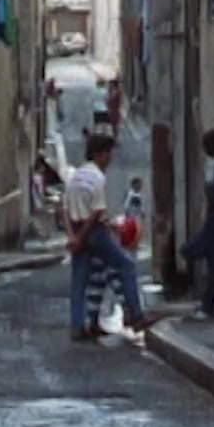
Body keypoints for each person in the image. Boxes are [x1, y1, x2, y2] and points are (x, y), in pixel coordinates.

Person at [63, 133, 160, 341]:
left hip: (77, 228)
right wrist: (86, 235)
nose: (110, 159)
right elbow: (96, 213)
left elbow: (65, 209)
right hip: (94, 231)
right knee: (126, 265)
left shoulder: (74, 177)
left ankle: (77, 327)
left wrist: (73, 237)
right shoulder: (98, 178)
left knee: (79, 280)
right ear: (100, 154)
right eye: (108, 154)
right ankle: (136, 315)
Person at [181, 129, 214, 321]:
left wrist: (211, 211)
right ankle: (206, 301)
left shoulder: (212, 165)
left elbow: (210, 188)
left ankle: (207, 306)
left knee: (210, 258)